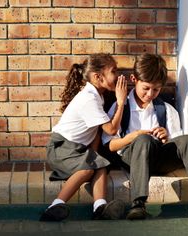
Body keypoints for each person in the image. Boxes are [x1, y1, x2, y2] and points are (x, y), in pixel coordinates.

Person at [101, 53, 188, 220]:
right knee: (144, 140)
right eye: (146, 88)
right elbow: (109, 145)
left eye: (156, 89)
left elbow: (179, 145)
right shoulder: (120, 106)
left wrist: (166, 138)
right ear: (134, 79)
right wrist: (134, 136)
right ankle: (138, 204)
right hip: (132, 160)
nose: (150, 94)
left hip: (159, 160)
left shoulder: (165, 108)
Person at [40, 53, 128, 221]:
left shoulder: (98, 95)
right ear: (98, 77)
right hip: (61, 149)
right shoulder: (89, 99)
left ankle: (100, 207)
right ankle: (54, 206)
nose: (117, 76)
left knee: (101, 166)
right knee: (87, 169)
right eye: (114, 71)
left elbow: (95, 131)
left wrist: (93, 156)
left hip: (77, 149)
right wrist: (121, 102)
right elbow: (110, 130)